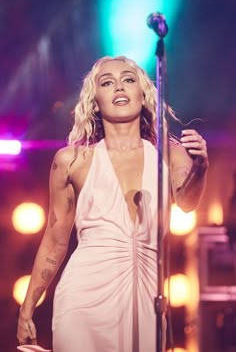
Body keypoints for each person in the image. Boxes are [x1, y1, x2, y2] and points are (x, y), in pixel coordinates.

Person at [17, 55, 209, 352]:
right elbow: (55, 240)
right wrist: (28, 306)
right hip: (83, 295)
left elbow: (187, 203)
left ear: (143, 96)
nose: (119, 87)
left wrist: (201, 168)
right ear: (95, 102)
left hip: (146, 296)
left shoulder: (171, 154)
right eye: (108, 83)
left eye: (128, 80)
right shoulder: (72, 160)